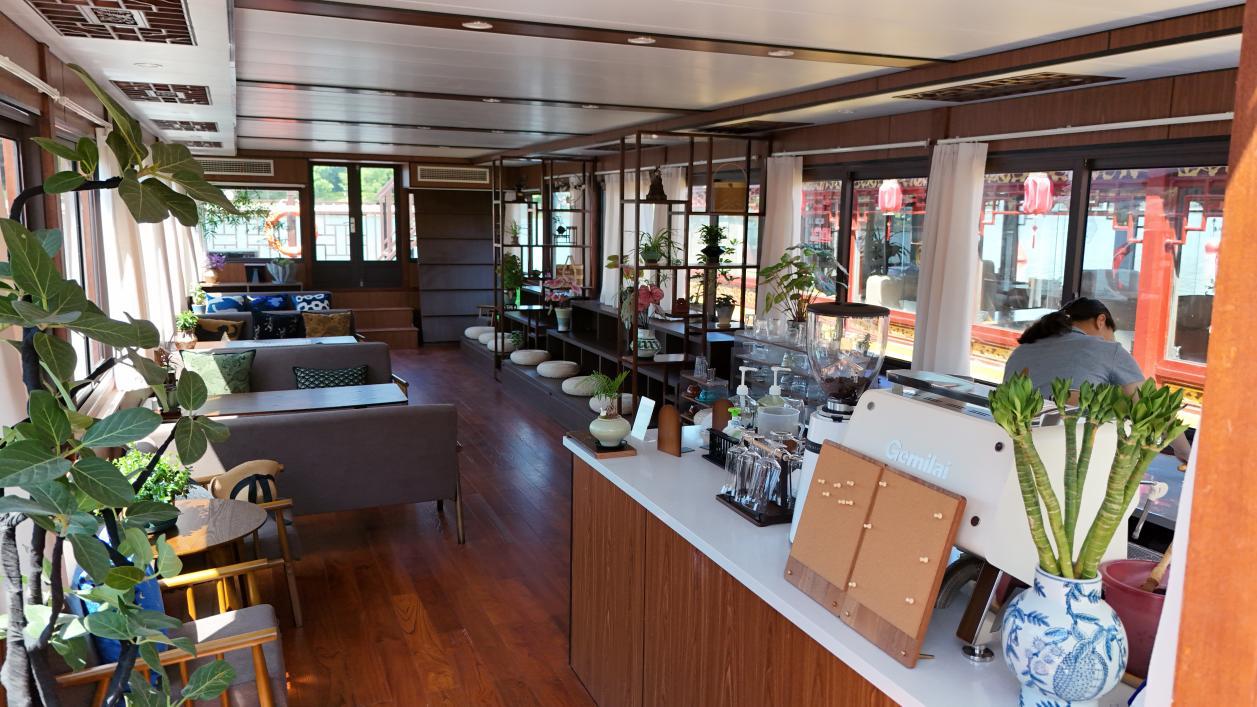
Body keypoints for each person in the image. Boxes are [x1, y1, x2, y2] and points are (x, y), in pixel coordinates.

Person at [1005, 297, 1191, 462]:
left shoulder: (1020, 351)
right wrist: (1184, 451)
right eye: (1112, 333)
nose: (1112, 340)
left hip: (1015, 453)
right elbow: (1154, 408)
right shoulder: (1108, 350)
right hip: (1075, 460)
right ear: (1101, 320)